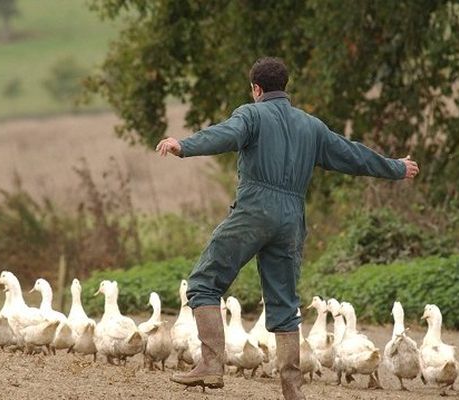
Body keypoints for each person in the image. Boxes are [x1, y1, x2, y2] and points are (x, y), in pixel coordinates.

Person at [155, 57, 419, 399]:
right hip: (292, 218)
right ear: (286, 86)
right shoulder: (312, 126)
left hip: (254, 209)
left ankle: (211, 364)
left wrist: (184, 146)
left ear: (256, 89)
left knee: (204, 283)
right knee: (283, 303)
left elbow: (225, 134)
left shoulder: (251, 114)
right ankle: (293, 389)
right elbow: (353, 155)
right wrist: (396, 167)